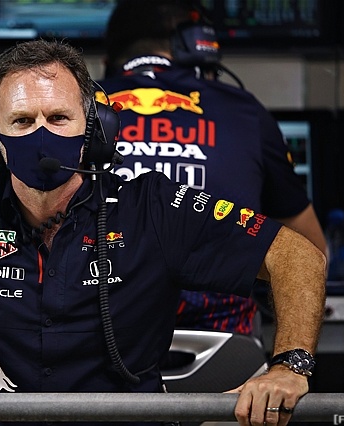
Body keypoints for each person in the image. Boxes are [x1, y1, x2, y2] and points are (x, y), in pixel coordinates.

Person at [0, 39, 326, 426]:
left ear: (94, 129)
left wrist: (289, 365)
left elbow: (296, 256)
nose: (41, 133)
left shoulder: (151, 205)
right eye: (22, 120)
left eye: (59, 117)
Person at [97, 0, 326, 336]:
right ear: (198, 47)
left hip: (102, 345)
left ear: (107, 63)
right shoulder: (245, 111)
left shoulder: (76, 109)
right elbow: (312, 251)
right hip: (226, 350)